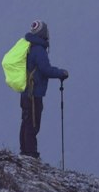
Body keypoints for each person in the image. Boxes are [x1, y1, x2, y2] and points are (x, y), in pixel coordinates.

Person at [19, 19, 68, 159]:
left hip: (25, 92)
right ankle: (31, 153)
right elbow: (45, 69)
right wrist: (61, 73)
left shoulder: (28, 47)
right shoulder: (39, 50)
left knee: (26, 120)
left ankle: (24, 150)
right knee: (33, 123)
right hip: (34, 93)